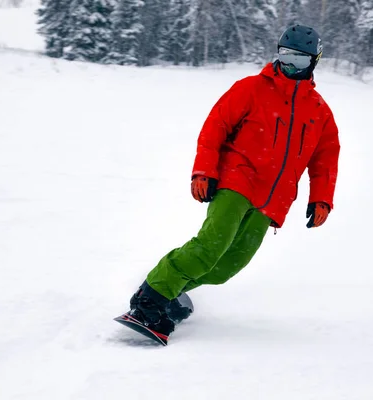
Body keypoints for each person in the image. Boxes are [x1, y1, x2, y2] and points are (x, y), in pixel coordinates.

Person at [126, 25, 340, 341]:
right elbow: (214, 129)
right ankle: (150, 299)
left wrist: (321, 197)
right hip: (236, 180)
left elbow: (326, 157)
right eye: (286, 56)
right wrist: (203, 172)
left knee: (229, 265)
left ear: (315, 61)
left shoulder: (319, 110)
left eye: (300, 60)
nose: (291, 65)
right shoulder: (251, 89)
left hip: (274, 198)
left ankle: (168, 291)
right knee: (209, 248)